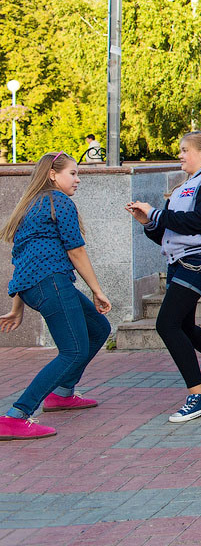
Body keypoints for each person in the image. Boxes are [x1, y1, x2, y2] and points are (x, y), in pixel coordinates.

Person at [126, 131, 201, 422]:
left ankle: (199, 395)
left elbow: (199, 223)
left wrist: (156, 214)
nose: (180, 155)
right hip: (179, 261)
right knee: (184, 324)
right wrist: (148, 222)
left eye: (185, 150)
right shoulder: (183, 187)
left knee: (167, 324)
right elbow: (168, 232)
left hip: (199, 261)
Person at [0, 153, 111, 440]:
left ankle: (62, 394)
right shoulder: (58, 201)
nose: (77, 179)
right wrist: (97, 290)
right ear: (52, 174)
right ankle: (16, 416)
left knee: (99, 328)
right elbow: (76, 250)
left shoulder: (31, 205)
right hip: (52, 283)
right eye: (72, 173)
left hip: (35, 286)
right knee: (73, 351)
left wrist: (17, 306)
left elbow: (22, 259)